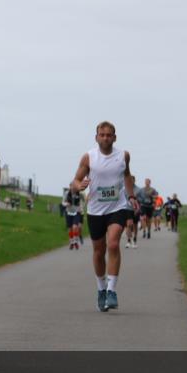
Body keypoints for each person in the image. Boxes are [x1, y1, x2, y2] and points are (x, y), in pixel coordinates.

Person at [71, 121, 139, 312]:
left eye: (109, 135)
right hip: (95, 210)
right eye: (102, 135)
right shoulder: (89, 158)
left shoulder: (123, 155)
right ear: (96, 137)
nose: (105, 138)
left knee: (114, 244)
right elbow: (74, 181)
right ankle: (101, 289)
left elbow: (127, 175)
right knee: (99, 252)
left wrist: (131, 196)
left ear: (114, 138)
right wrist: (79, 185)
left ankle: (111, 290)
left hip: (117, 207)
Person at [62, 184, 84, 250]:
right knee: (70, 229)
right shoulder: (66, 193)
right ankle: (71, 242)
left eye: (75, 187)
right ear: (70, 187)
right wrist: (66, 204)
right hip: (68, 212)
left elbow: (83, 201)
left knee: (75, 227)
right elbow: (63, 202)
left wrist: (81, 208)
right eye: (72, 187)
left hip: (76, 212)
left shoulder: (79, 194)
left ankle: (75, 241)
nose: (73, 188)